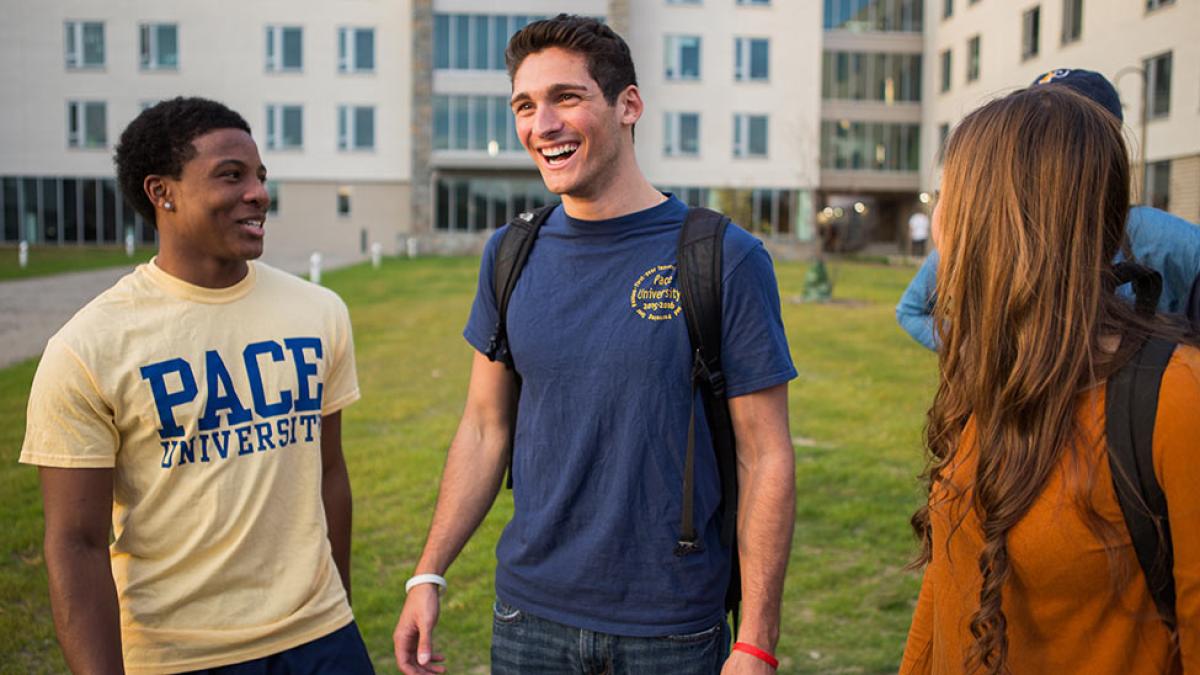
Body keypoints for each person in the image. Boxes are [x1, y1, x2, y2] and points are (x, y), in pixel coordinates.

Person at [392, 15, 797, 675]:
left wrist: (755, 639)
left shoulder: (722, 255)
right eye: (525, 105)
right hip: (528, 617)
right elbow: (483, 427)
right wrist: (427, 574)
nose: (541, 124)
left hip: (670, 626)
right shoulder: (509, 253)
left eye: (566, 97)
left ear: (629, 104)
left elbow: (765, 455)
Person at [19, 97, 372, 674]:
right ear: (163, 192)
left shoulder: (320, 311)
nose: (258, 193)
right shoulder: (87, 349)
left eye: (260, 176)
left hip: (323, 638)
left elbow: (329, 470)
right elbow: (74, 543)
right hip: (178, 654)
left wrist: (339, 610)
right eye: (231, 176)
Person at [900, 86, 1200, 673]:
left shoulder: (1175, 399)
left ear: (1001, 223)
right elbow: (950, 583)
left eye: (949, 197)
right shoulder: (986, 370)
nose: (936, 221)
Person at [895, 68, 1200, 351]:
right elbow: (911, 309)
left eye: (1067, 136)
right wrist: (973, 353)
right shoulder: (981, 234)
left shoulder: (1162, 236)